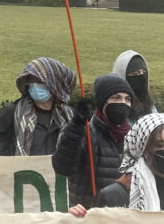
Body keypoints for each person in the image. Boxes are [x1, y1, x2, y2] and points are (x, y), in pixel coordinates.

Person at [0, 57, 76, 156]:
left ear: (55, 86)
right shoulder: (13, 112)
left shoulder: (70, 117)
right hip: (21, 182)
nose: (34, 85)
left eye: (40, 81)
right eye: (31, 81)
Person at [52, 73, 133, 209]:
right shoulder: (87, 132)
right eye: (116, 97)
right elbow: (62, 166)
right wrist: (76, 125)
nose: (123, 103)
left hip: (122, 217)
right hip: (88, 216)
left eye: (128, 99)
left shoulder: (134, 135)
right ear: (103, 102)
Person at [112, 50, 155, 119]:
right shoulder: (115, 112)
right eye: (136, 73)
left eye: (144, 72)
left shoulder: (150, 107)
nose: (142, 76)